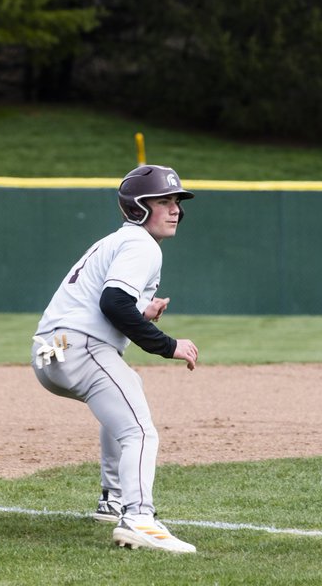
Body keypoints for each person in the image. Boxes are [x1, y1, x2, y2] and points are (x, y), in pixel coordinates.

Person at [32, 164, 200, 554]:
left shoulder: (115, 242)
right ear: (139, 207)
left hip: (48, 350)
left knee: (125, 397)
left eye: (176, 201)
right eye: (163, 201)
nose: (175, 209)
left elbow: (109, 303)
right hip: (81, 346)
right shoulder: (142, 245)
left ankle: (113, 498)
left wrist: (141, 314)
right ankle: (139, 517)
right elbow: (113, 303)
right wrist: (166, 344)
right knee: (140, 431)